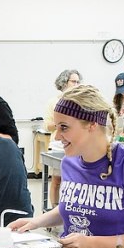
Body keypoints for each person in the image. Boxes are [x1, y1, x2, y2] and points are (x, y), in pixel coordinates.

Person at [8, 85, 124, 248]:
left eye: (64, 127)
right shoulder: (69, 162)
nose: (57, 136)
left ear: (91, 124)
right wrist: (36, 222)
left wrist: (91, 243)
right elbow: (75, 207)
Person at [42, 69, 82, 206]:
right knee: (57, 179)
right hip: (58, 145)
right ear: (64, 82)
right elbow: (47, 126)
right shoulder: (53, 102)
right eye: (73, 81)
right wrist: (62, 124)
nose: (76, 84)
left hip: (76, 145)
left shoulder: (80, 102)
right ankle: (54, 209)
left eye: (78, 81)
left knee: (73, 180)